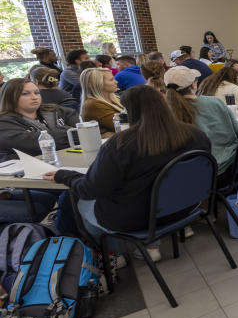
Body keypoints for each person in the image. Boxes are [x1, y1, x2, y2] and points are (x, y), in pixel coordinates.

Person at [48, 85, 211, 262]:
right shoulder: (196, 135)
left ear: (129, 110)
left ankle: (113, 255)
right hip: (185, 208)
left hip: (138, 218)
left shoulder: (121, 145)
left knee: (81, 202)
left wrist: (65, 176)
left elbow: (91, 190)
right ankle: (150, 244)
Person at [165, 66, 238, 183]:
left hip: (197, 177)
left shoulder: (167, 115)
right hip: (229, 167)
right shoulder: (214, 102)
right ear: (193, 85)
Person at [0, 78, 79, 161]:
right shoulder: (3, 122)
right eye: (25, 94)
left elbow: (82, 134)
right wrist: (67, 131)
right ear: (10, 97)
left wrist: (38, 136)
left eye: (37, 93)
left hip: (71, 159)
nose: (34, 97)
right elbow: (30, 145)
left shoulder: (61, 111)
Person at [80, 68, 124, 136]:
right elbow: (123, 125)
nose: (116, 82)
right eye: (111, 80)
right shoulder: (93, 105)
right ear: (98, 84)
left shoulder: (115, 98)